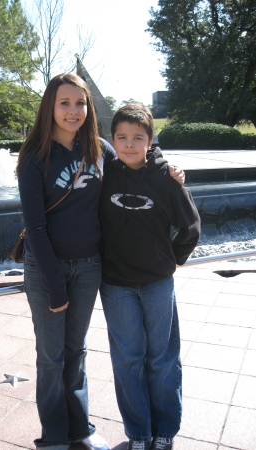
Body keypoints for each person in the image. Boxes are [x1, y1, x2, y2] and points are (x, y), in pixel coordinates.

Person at [16, 73, 184, 450]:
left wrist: (168, 167)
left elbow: (135, 158)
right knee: (51, 357)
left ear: (89, 107)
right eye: (64, 103)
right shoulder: (34, 158)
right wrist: (55, 285)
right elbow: (36, 229)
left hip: (90, 265)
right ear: (51, 107)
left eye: (80, 103)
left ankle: (81, 430)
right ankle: (55, 436)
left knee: (77, 351)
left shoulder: (99, 149)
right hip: (47, 269)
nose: (73, 111)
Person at [99, 104, 201, 450]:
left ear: (150, 141)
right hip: (116, 286)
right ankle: (139, 433)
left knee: (162, 359)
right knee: (127, 360)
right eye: (122, 137)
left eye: (137, 138)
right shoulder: (105, 175)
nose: (129, 144)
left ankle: (165, 432)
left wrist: (171, 260)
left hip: (158, 283)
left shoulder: (164, 177)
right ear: (113, 140)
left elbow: (191, 225)